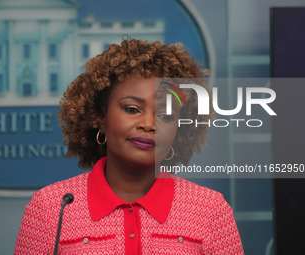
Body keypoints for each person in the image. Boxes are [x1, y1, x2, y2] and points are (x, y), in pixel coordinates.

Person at [14, 37, 244, 254]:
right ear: (100, 117)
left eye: (165, 116)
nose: (148, 125)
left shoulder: (211, 210)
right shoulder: (51, 207)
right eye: (132, 109)